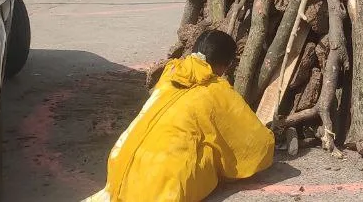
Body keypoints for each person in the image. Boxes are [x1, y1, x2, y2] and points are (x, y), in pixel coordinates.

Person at [85, 30, 274, 202]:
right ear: (226, 64)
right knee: (210, 150)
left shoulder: (172, 72)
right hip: (163, 188)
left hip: (118, 170)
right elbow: (258, 146)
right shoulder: (218, 91)